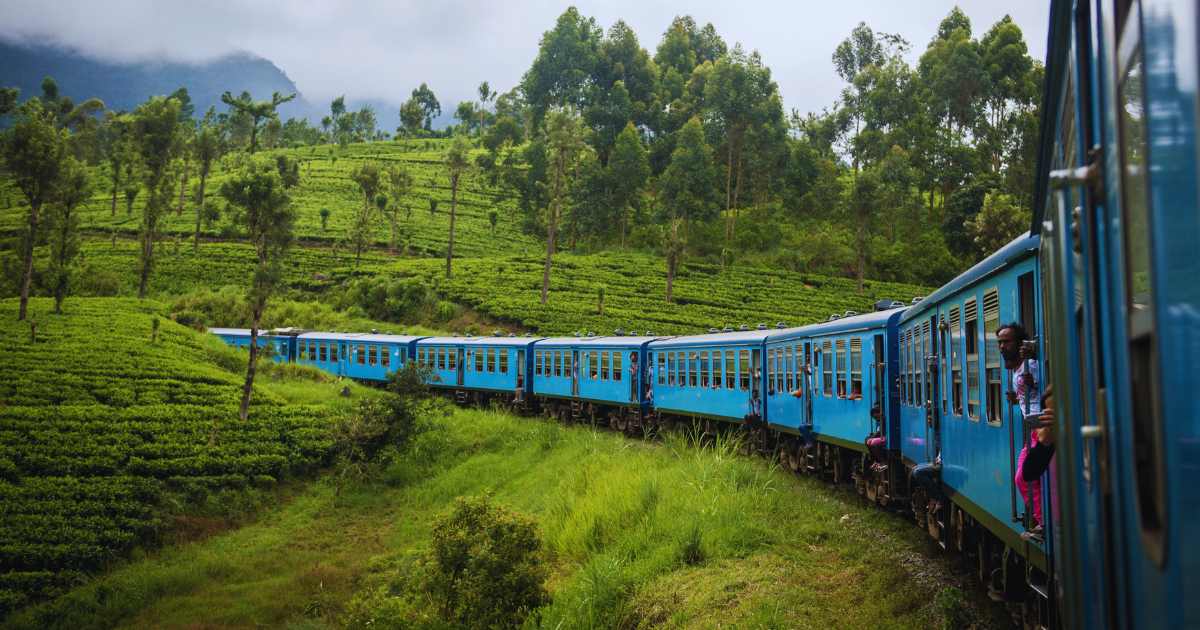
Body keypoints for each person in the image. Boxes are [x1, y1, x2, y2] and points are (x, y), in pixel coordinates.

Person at [997, 323, 1044, 532]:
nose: (1002, 346)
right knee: (1023, 477)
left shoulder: (1031, 366)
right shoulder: (1017, 370)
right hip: (1033, 430)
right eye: (1000, 342)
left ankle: (1043, 521)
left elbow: (1045, 389)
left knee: (1024, 477)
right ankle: (1042, 519)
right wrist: (1017, 399)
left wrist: (1033, 383)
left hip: (1041, 428)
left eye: (1007, 342)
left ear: (1019, 343)